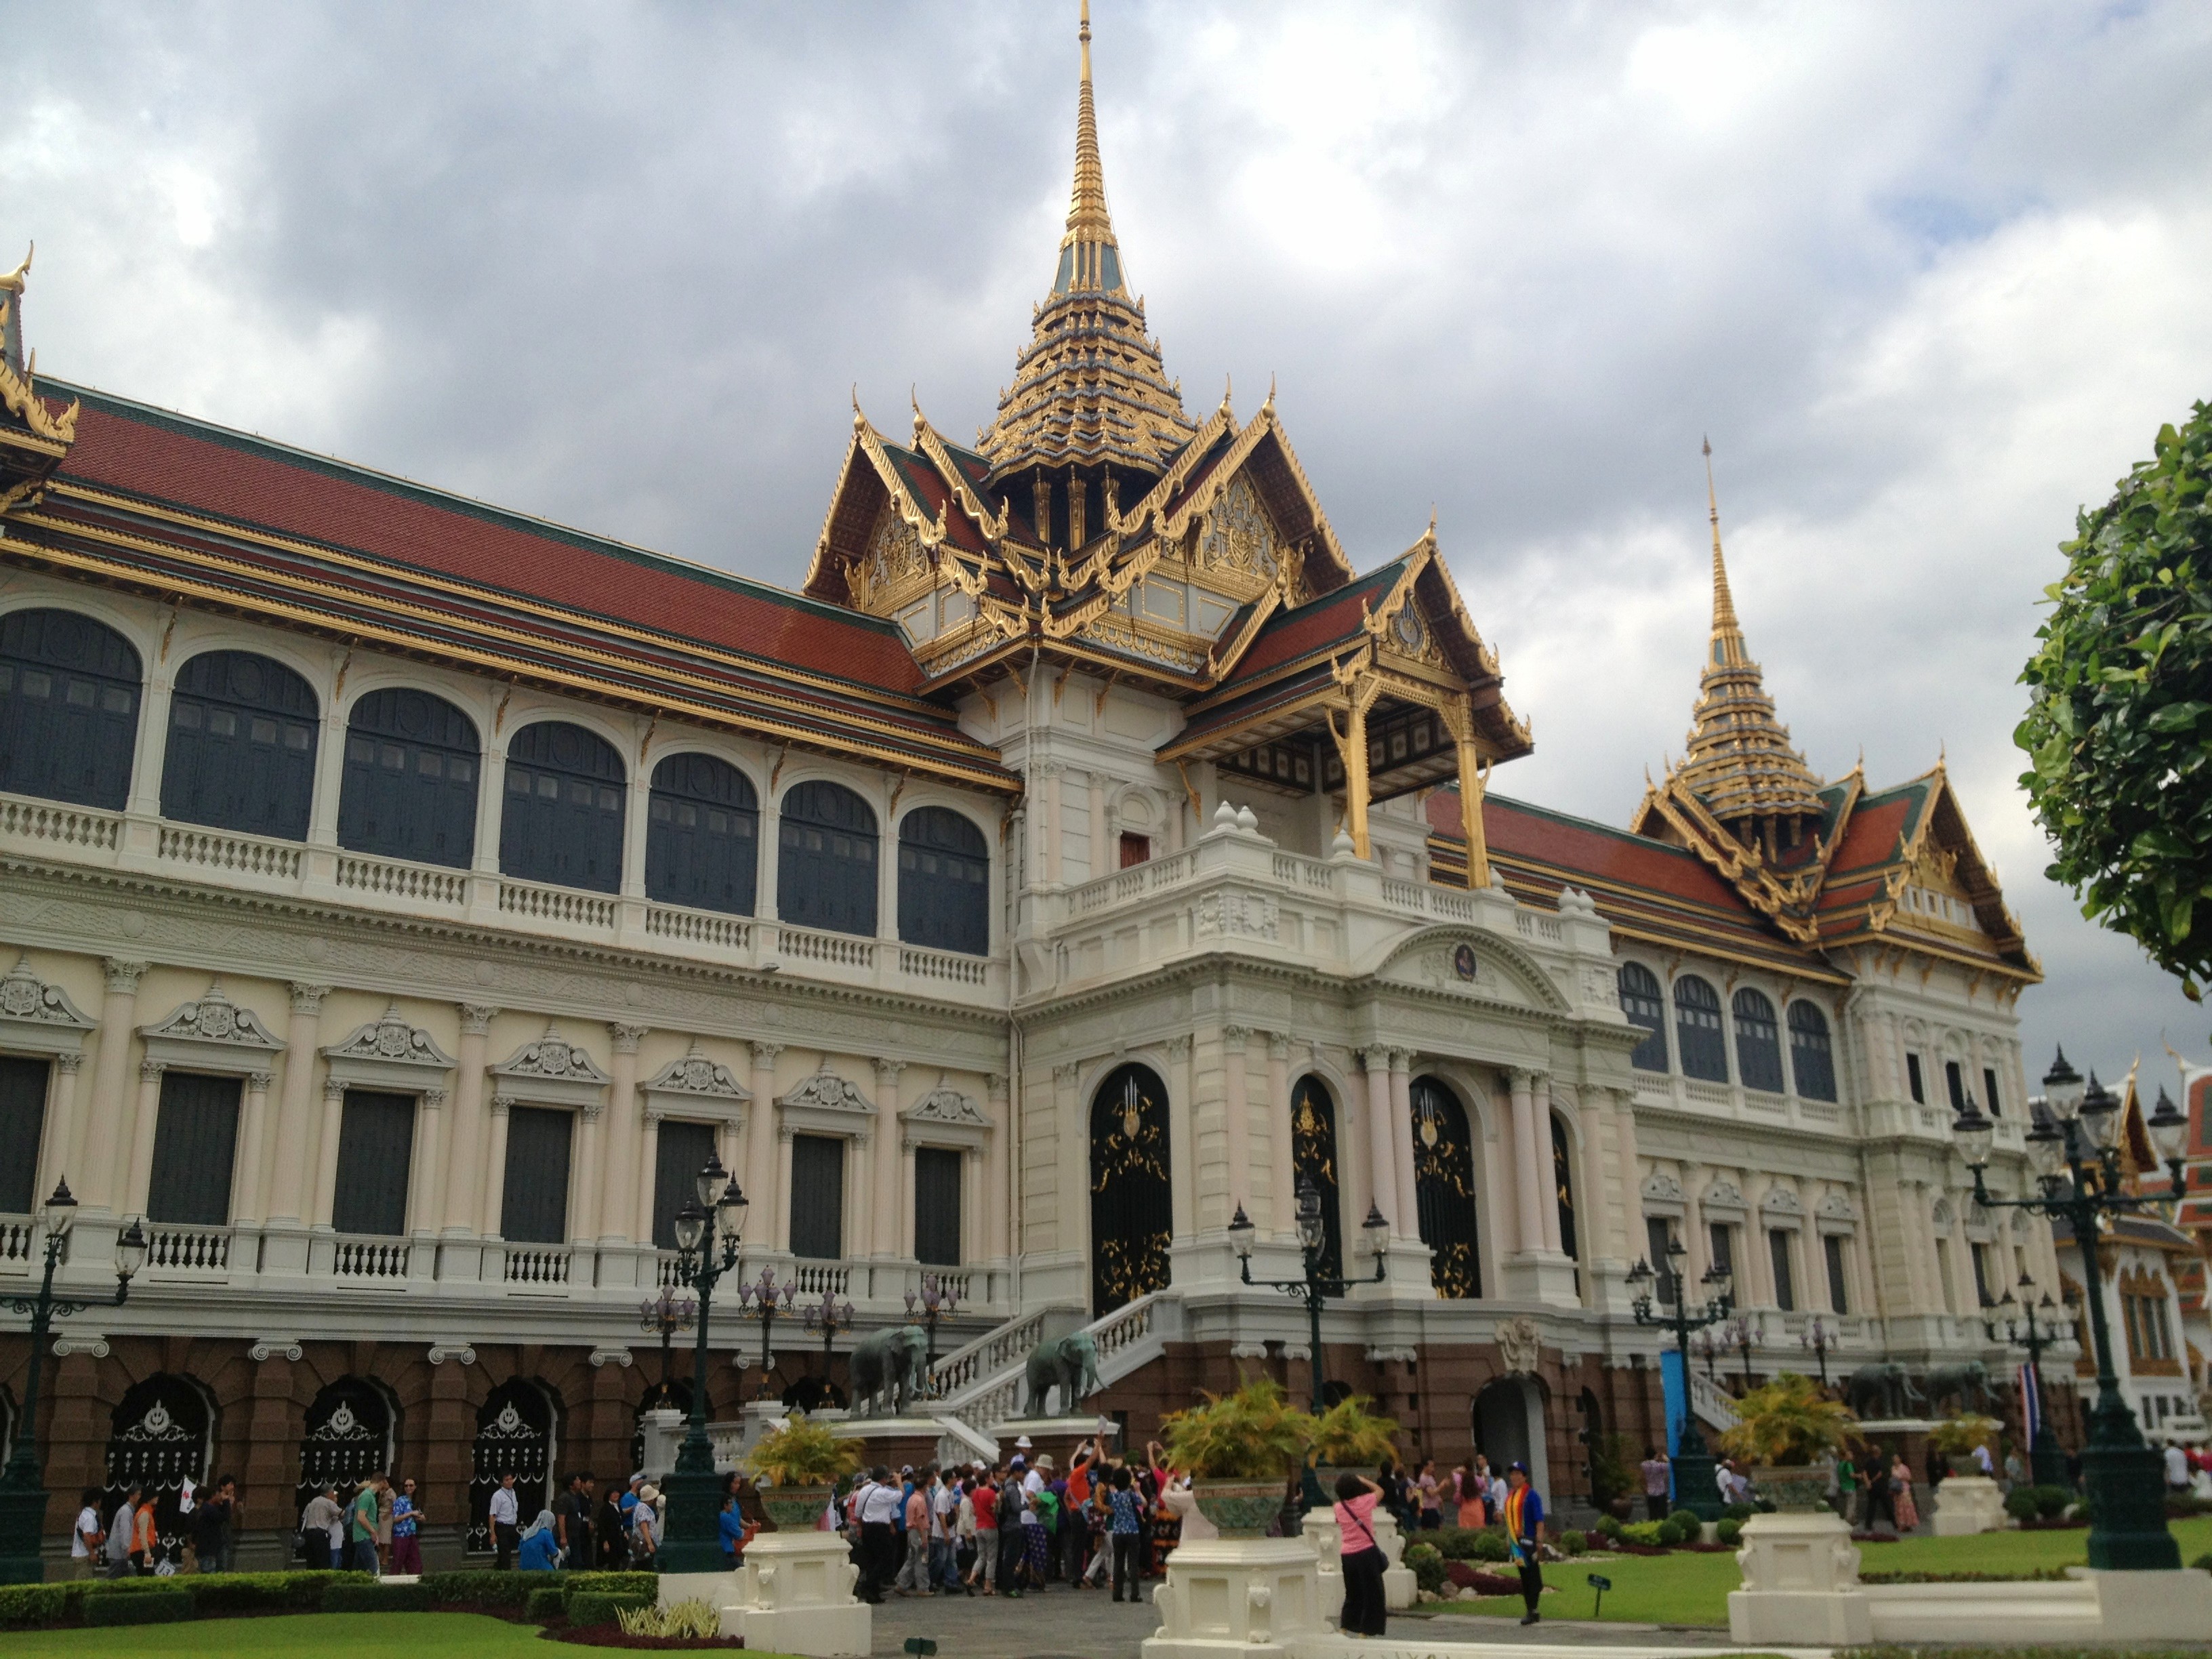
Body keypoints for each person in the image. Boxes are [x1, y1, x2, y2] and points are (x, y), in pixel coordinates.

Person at [1334, 1472, 1388, 1637]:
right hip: (1366, 1552)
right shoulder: (1365, 1501)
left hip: (1347, 1554)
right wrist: (1365, 1480)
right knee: (1373, 1592)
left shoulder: (1338, 1507)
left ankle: (1346, 1626)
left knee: (1353, 1592)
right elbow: (1380, 1491)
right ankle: (1366, 1630)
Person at [1503, 1461, 1546, 1627]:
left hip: (1529, 1542)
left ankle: (1533, 1609)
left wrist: (1539, 1540)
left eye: (1517, 1474)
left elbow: (1539, 1520)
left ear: (1524, 1477)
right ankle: (1531, 1609)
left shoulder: (1531, 1495)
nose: (1514, 1477)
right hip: (1517, 1544)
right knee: (1525, 1577)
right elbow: (1510, 1521)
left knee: (1532, 1576)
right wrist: (1508, 1538)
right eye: (1512, 1474)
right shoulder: (1511, 1496)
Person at [857, 1465, 900, 1604]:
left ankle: (873, 1593)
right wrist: (899, 1481)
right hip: (880, 1528)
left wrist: (860, 1527)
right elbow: (900, 1495)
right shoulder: (883, 1492)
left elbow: (858, 1512)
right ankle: (869, 1585)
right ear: (883, 1479)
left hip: (867, 1526)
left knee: (872, 1560)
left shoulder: (865, 1490)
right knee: (886, 1558)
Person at [348, 1473, 386, 1574]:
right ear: (382, 1482)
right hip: (365, 1536)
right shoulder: (367, 1496)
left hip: (363, 1536)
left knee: (359, 1571)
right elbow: (361, 1517)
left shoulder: (369, 1496)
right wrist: (373, 1532)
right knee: (374, 1569)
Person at [970, 1464, 999, 1593]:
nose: (993, 1479)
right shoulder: (991, 1493)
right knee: (991, 1557)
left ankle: (971, 1578)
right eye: (991, 1477)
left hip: (979, 1526)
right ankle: (988, 1585)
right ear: (987, 1479)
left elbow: (974, 1511)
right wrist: (998, 1503)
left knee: (981, 1556)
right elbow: (994, 1509)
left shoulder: (975, 1493)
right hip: (990, 1526)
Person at [300, 1485, 342, 1570]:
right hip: (320, 1534)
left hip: (309, 1533)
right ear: (330, 1493)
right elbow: (341, 1513)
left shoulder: (314, 1501)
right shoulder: (328, 1503)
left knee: (311, 1562)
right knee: (323, 1562)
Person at [68, 1488, 104, 1580]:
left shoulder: (84, 1514)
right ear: (95, 1502)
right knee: (84, 1582)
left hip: (81, 1554)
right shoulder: (89, 1517)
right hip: (84, 1556)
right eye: (100, 1501)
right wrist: (92, 1553)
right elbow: (87, 1536)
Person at [488, 1472, 522, 1569]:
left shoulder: (513, 1493)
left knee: (507, 1552)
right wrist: (493, 1534)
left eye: (511, 1479)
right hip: (502, 1527)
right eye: (507, 1480)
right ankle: (506, 1571)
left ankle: (497, 1569)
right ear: (501, 1483)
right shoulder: (497, 1496)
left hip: (512, 1526)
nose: (510, 1482)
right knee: (504, 1553)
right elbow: (492, 1515)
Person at [392, 1478, 424, 1576]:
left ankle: (415, 1579)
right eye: (406, 1486)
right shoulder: (400, 1501)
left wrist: (421, 1518)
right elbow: (396, 1519)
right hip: (401, 1535)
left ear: (415, 1487)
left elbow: (421, 1515)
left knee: (416, 1562)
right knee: (398, 1561)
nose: (408, 1488)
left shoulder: (416, 1501)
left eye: (411, 1485)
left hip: (412, 1534)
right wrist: (410, 1514)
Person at [597, 1478, 631, 1569]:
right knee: (612, 1563)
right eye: (613, 1493)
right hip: (610, 1540)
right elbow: (601, 1526)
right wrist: (605, 1542)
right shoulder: (605, 1508)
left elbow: (621, 1521)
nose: (616, 1495)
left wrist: (624, 1532)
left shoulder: (619, 1507)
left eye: (617, 1493)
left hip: (619, 1539)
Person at [518, 1506, 562, 1570]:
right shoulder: (546, 1533)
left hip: (524, 1567)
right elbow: (554, 1553)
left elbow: (520, 1549)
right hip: (540, 1566)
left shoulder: (527, 1533)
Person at [1639, 1446, 1671, 1521]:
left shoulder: (1643, 1465)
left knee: (1653, 1515)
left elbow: (1641, 1478)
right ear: (1655, 1455)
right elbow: (1670, 1466)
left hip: (1650, 1492)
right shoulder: (1659, 1466)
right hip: (1661, 1492)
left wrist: (1644, 1489)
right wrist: (1666, 1459)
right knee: (1663, 1515)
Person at [1890, 1455, 1919, 1533]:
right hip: (1897, 1490)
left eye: (1897, 1459)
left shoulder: (1904, 1468)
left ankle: (1908, 1524)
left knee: (1907, 1506)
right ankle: (1901, 1525)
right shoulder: (1893, 1468)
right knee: (1899, 1507)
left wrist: (1901, 1477)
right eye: (1894, 1459)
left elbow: (1909, 1477)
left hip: (1904, 1488)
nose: (1895, 1460)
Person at [1454, 1460, 1486, 1529]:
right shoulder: (1478, 1480)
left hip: (1465, 1511)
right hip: (1477, 1509)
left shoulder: (1461, 1490)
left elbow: (1456, 1501)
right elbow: (1485, 1488)